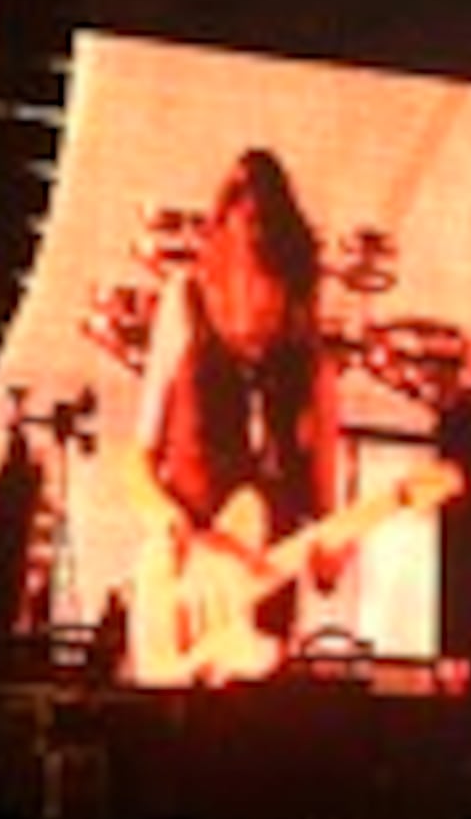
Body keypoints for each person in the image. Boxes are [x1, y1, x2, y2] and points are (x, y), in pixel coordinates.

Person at [120, 148, 351, 687]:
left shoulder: (313, 364)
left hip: (262, 622)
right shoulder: (183, 304)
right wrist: (174, 528)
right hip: (183, 593)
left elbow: (325, 551)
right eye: (237, 284)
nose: (251, 307)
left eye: (267, 290)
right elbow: (134, 463)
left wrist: (336, 549)